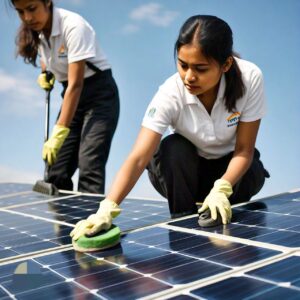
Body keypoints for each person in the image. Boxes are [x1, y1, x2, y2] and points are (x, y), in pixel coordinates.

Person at [70, 15, 270, 240]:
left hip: (233, 177)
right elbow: (138, 157)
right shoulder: (169, 93)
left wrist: (222, 188)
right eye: (183, 65)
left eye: (201, 68)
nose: (189, 77)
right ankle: (184, 228)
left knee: (249, 171)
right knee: (172, 147)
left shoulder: (250, 78)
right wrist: (106, 208)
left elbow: (244, 150)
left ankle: (218, 207)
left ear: (226, 64)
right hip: (184, 178)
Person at [11, 0, 119, 194]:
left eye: (32, 9)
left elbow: (76, 84)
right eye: (20, 12)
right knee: (56, 170)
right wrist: (47, 73)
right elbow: (48, 57)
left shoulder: (73, 26)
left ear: (47, 2)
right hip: (71, 94)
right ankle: (62, 224)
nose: (27, 17)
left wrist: (59, 131)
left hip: (99, 96)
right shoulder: (39, 31)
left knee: (89, 166)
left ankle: (89, 222)